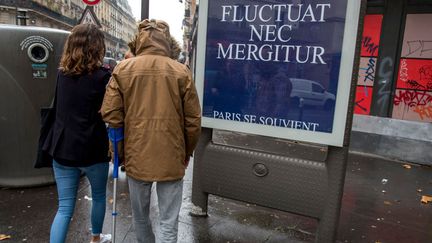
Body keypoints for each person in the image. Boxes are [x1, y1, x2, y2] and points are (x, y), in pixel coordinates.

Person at [101, 19, 201, 243]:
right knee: (168, 221)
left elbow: (112, 115)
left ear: (138, 41)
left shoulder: (123, 69)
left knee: (141, 217)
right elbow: (193, 120)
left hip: (137, 155)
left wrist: (118, 152)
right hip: (172, 154)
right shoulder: (181, 71)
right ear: (168, 42)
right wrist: (186, 152)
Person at [42, 24, 111, 243]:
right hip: (93, 149)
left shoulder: (62, 75)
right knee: (99, 197)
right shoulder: (102, 77)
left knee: (64, 207)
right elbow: (108, 112)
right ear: (98, 47)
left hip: (62, 148)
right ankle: (96, 238)